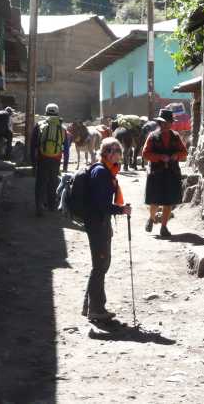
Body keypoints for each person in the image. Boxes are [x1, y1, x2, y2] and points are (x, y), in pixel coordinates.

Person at [84, 137, 132, 321]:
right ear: (107, 153)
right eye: (116, 151)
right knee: (100, 265)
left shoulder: (105, 171)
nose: (119, 154)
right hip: (97, 223)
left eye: (119, 150)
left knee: (101, 265)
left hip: (99, 222)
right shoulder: (102, 173)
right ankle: (96, 309)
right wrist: (121, 209)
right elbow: (100, 204)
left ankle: (91, 306)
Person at [142, 108, 188, 237]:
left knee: (169, 202)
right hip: (156, 173)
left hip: (172, 173)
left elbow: (184, 153)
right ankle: (151, 218)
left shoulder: (176, 136)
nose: (167, 125)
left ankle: (164, 227)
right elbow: (145, 154)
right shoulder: (152, 137)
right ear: (160, 123)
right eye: (164, 122)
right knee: (154, 201)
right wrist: (160, 157)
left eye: (169, 122)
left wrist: (176, 156)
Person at [31, 103, 65, 216]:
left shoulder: (39, 125)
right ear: (57, 112)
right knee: (53, 181)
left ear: (46, 112)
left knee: (40, 182)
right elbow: (65, 146)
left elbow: (33, 144)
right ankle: (52, 206)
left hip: (42, 158)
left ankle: (38, 207)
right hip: (56, 159)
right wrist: (64, 163)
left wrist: (33, 162)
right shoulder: (62, 127)